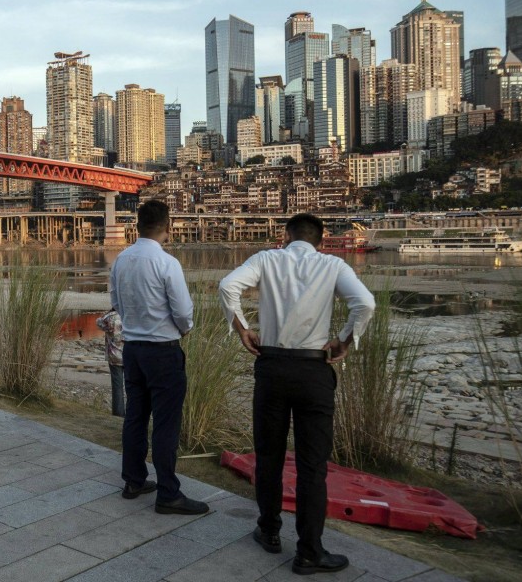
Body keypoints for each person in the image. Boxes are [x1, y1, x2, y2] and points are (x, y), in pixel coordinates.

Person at [218, 213, 375, 576]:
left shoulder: (266, 258)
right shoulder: (332, 264)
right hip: (312, 371)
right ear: (320, 240)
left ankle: (269, 531)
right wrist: (347, 339)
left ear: (285, 236)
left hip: (271, 367)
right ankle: (309, 551)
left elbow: (228, 286)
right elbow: (365, 303)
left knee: (269, 455)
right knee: (311, 466)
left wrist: (242, 328)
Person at [110, 199, 208, 516]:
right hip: (163, 351)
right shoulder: (167, 263)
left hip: (133, 349)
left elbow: (117, 303)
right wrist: (185, 328)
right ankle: (168, 492)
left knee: (135, 417)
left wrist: (136, 324)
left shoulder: (120, 261)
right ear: (168, 227)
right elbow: (182, 311)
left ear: (137, 226)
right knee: (166, 423)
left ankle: (134, 480)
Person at [96, 308, 125, 417]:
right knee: (132, 388)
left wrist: (106, 314)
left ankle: (118, 414)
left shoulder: (111, 317)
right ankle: (133, 415)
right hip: (130, 355)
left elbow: (98, 322)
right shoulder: (130, 314)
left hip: (115, 356)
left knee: (117, 387)